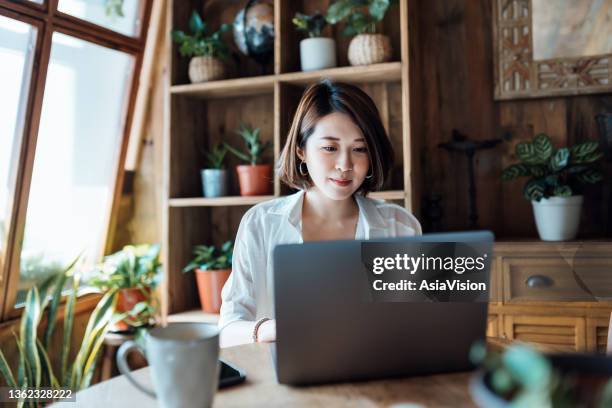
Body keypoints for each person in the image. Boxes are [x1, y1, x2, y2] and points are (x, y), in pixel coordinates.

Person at [218, 80, 422, 347]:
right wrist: (273, 329)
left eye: (359, 149)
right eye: (330, 148)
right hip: (284, 379)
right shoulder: (261, 223)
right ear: (301, 150)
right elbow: (227, 329)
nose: (345, 165)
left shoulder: (401, 226)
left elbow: (416, 325)